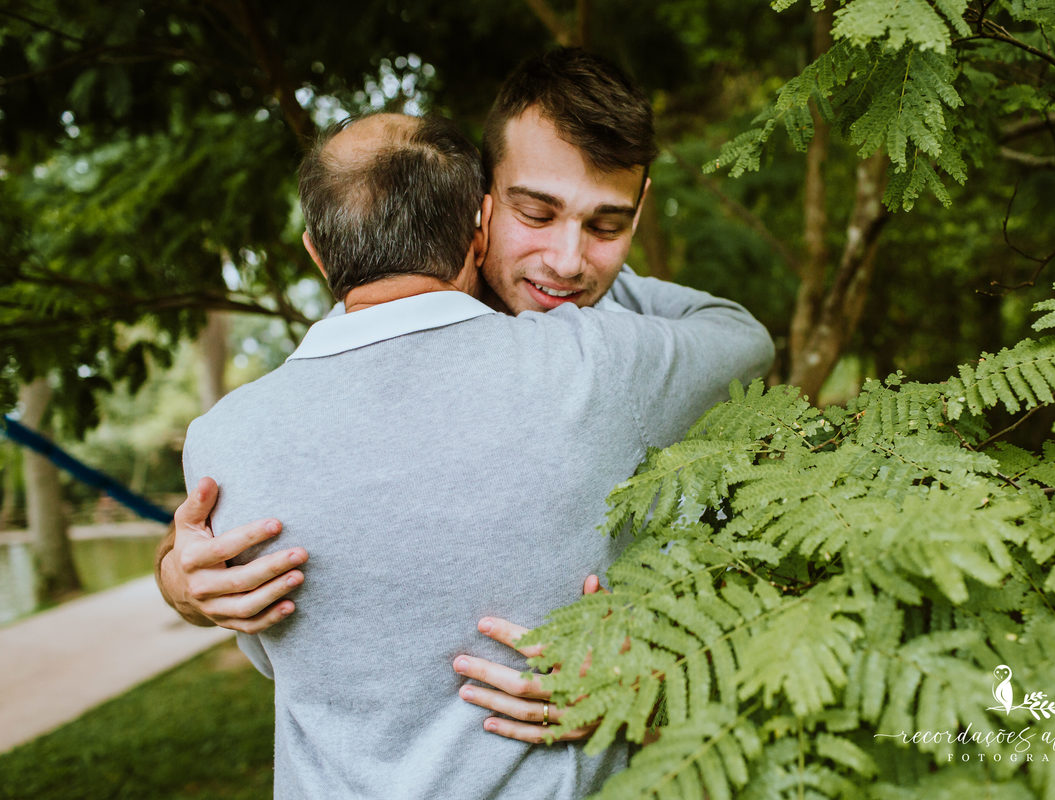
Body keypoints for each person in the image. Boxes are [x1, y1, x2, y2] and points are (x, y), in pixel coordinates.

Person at [157, 48, 771, 748]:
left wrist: (651, 666)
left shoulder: (620, 343)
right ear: (477, 206)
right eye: (536, 213)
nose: (569, 261)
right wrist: (182, 580)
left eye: (606, 226)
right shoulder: (356, 339)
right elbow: (228, 517)